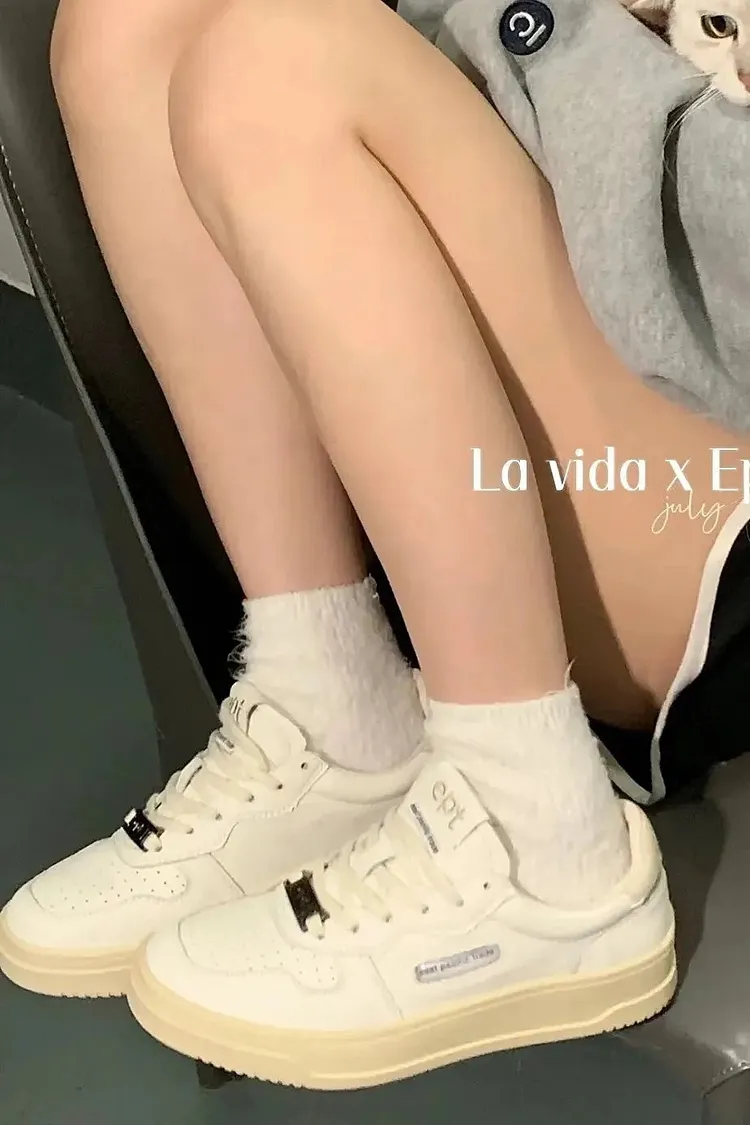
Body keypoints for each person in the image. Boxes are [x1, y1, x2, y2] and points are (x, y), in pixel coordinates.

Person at [1, 0, 749, 1089]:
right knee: (133, 20)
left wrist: (572, 39)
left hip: (709, 484)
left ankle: (541, 840)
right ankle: (333, 700)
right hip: (519, 407)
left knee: (280, 67)